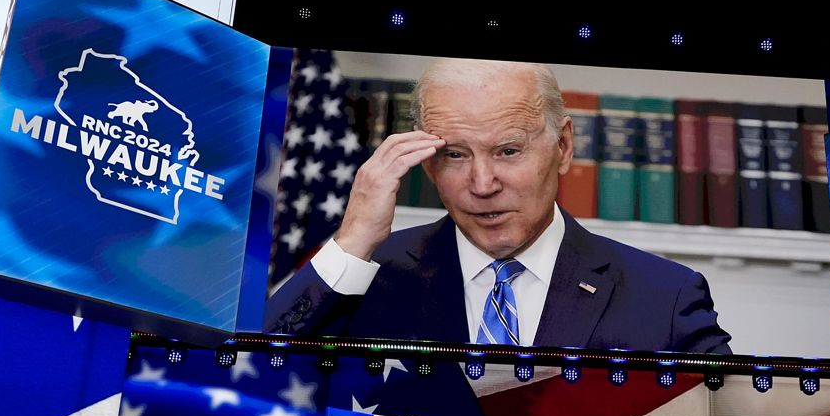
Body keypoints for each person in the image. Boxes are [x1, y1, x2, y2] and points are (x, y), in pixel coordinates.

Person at [265, 58, 732, 354]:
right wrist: (352, 242)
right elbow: (241, 375)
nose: (482, 184)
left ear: (563, 147)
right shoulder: (365, 278)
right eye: (455, 154)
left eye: (508, 151)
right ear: (427, 165)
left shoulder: (664, 298)